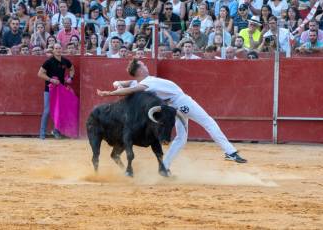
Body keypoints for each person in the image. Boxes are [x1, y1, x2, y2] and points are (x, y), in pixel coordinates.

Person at [97, 59, 247, 175]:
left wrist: (116, 83)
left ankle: (164, 167)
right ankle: (230, 152)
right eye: (142, 64)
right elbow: (129, 90)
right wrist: (110, 93)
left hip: (174, 106)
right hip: (181, 102)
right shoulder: (146, 84)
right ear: (139, 70)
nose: (145, 65)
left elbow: (126, 84)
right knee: (208, 122)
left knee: (181, 138)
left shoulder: (142, 81)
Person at [37, 43, 75, 139]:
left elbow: (72, 68)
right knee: (47, 110)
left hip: (60, 89)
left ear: (61, 49)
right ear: (53, 50)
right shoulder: (49, 62)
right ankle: (42, 133)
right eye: (56, 48)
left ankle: (56, 131)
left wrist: (70, 77)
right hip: (49, 89)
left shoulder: (65, 61)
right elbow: (40, 73)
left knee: (59, 110)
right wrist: (51, 79)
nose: (58, 50)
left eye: (59, 48)